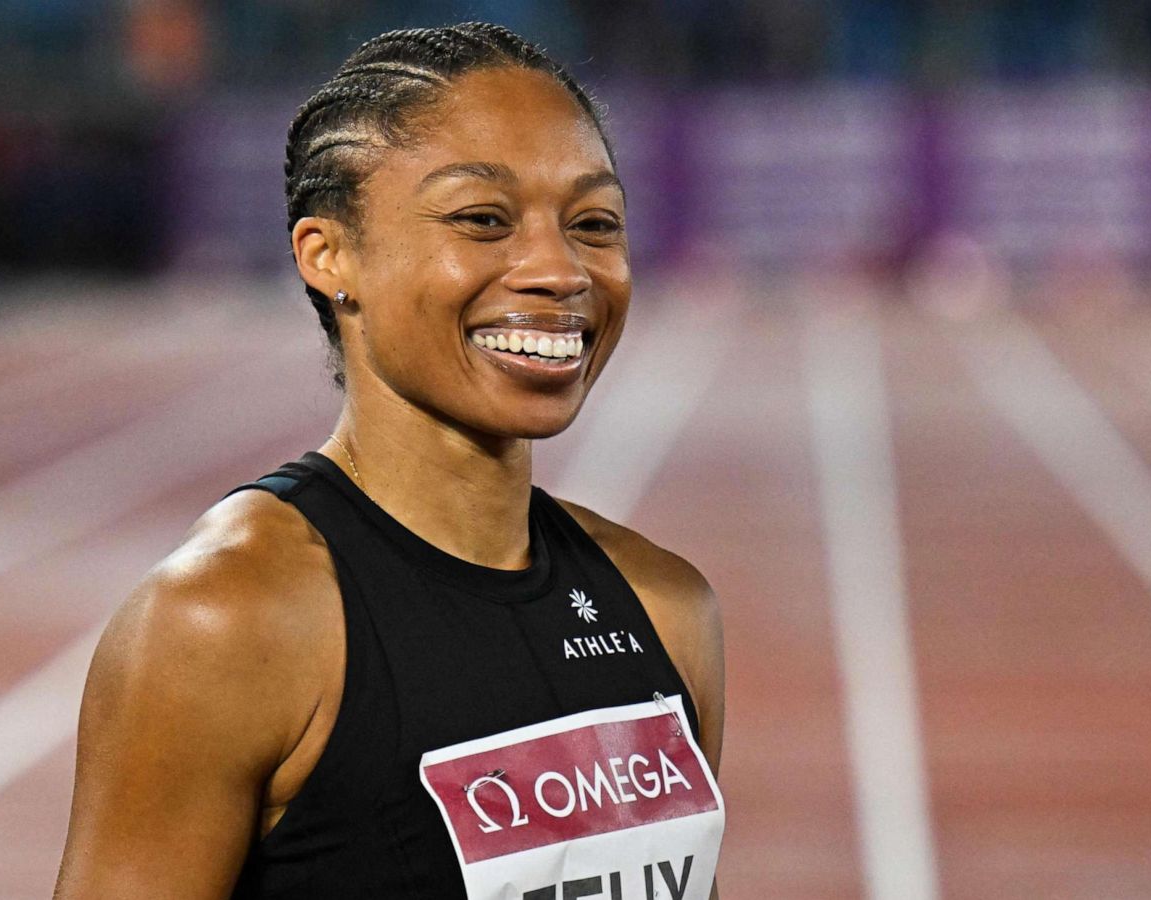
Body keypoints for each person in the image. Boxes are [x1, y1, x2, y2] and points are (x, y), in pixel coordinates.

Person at [54, 23, 726, 899]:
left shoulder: (666, 609)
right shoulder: (228, 621)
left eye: (594, 223)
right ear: (328, 256)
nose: (561, 269)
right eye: (483, 220)